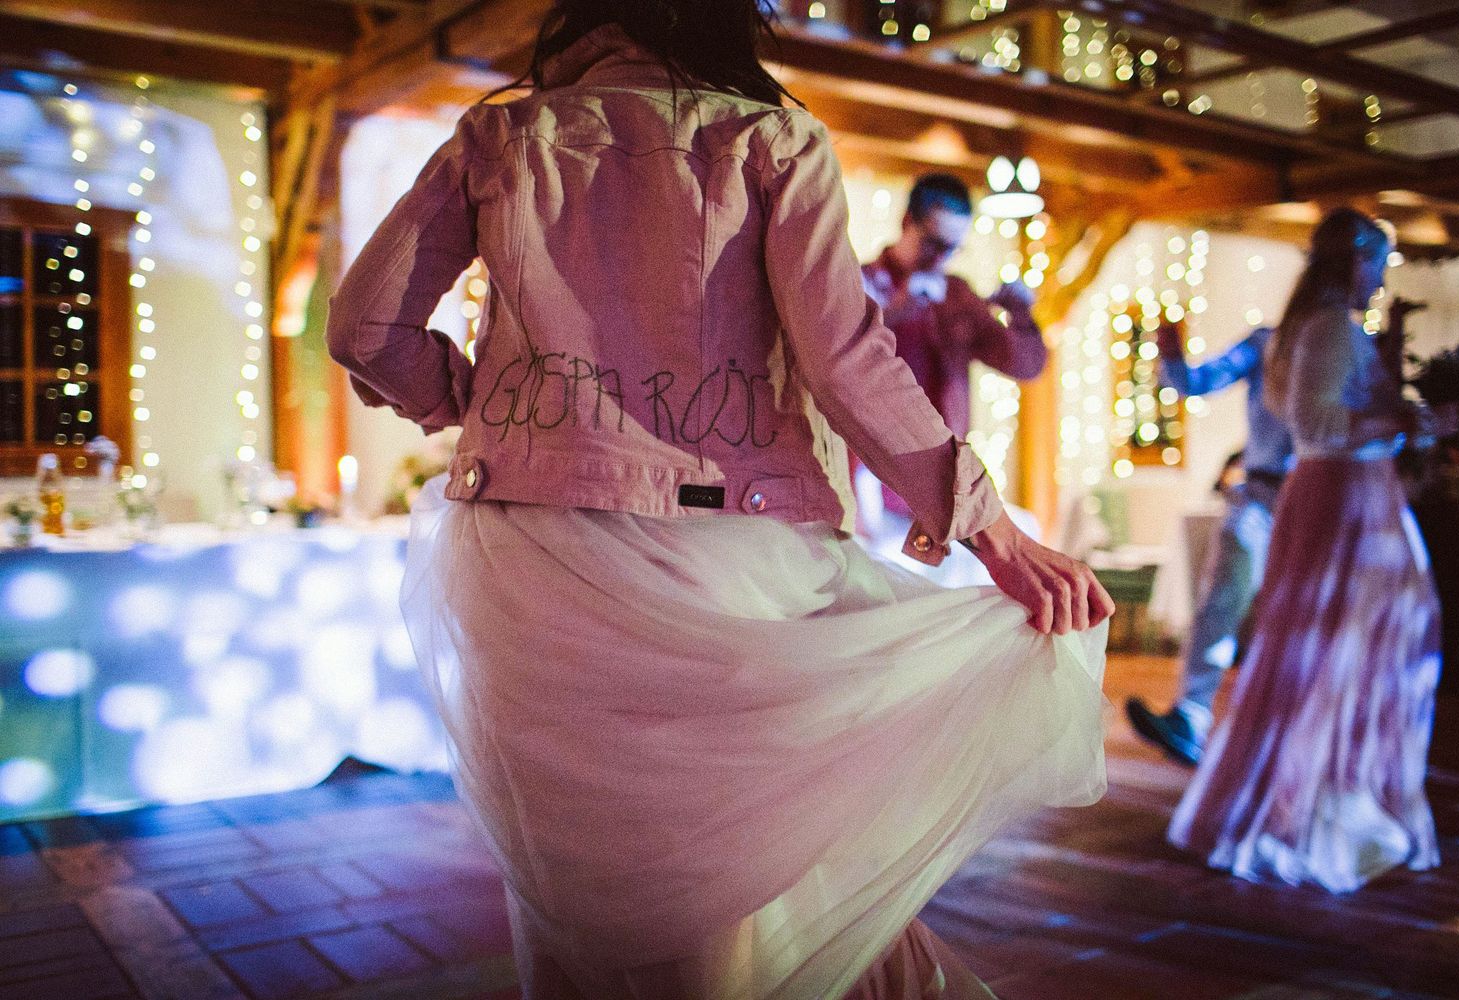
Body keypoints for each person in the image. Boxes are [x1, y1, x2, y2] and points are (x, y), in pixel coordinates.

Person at [327, 3, 1114, 997]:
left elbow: (364, 328)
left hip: (524, 560)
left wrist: (472, 402)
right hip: (720, 550)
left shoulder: (500, 136)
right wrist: (994, 536)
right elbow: (845, 360)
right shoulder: (769, 140)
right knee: (731, 885)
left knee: (578, 883)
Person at [1167, 208, 1443, 893]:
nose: (1382, 278)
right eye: (1378, 263)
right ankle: (1316, 810)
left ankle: (1341, 797)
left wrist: (1419, 420)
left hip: (1335, 493)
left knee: (1343, 649)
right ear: (1355, 261)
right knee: (1321, 651)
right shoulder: (1324, 328)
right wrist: (1402, 417)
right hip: (1335, 496)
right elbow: (1317, 425)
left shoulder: (1317, 328)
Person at [856, 174, 1048, 584]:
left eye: (953, 247)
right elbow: (840, 359)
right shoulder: (861, 284)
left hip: (944, 482)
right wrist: (899, 311)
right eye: (934, 243)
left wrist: (1020, 315)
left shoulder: (956, 295)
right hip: (872, 482)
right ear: (907, 222)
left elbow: (1026, 366)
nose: (942, 258)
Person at [1124, 322, 1293, 765]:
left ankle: (1285, 738)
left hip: (1317, 500)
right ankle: (1190, 717)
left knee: (1298, 618)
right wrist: (1171, 356)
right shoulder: (1266, 342)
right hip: (1259, 493)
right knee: (1219, 603)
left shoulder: (1351, 343)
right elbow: (1196, 382)